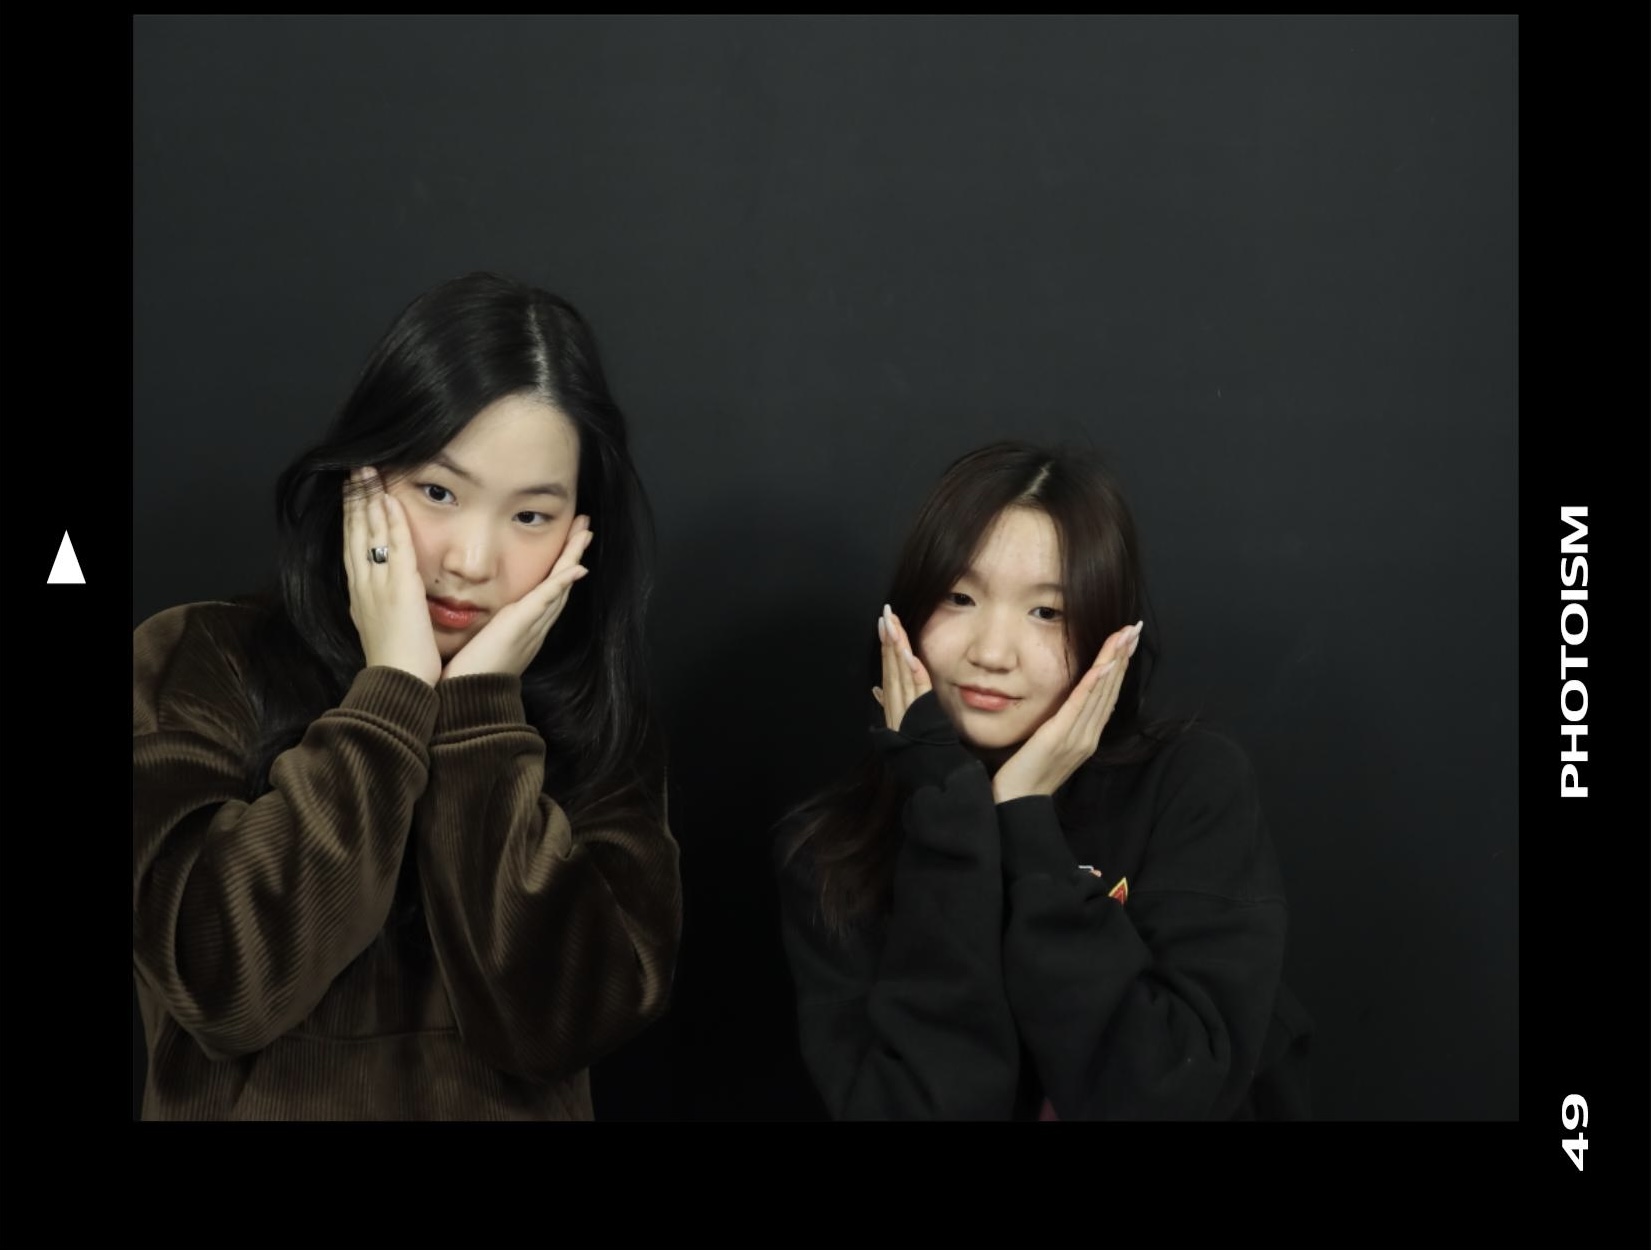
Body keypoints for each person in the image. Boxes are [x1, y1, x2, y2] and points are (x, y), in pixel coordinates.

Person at [133, 272, 681, 1119]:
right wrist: (390, 693)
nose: (471, 560)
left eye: (530, 517)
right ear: (361, 478)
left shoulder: (595, 715)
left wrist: (480, 713)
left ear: (581, 529)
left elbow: (558, 1026)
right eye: (437, 492)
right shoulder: (197, 658)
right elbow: (225, 986)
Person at [775, 441, 1311, 1120]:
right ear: (902, 619)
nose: (991, 653)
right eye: (959, 597)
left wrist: (1026, 821)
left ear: (1109, 638)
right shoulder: (830, 852)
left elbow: (1162, 1093)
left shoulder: (1189, 788)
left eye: (1046, 612)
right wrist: (948, 811)